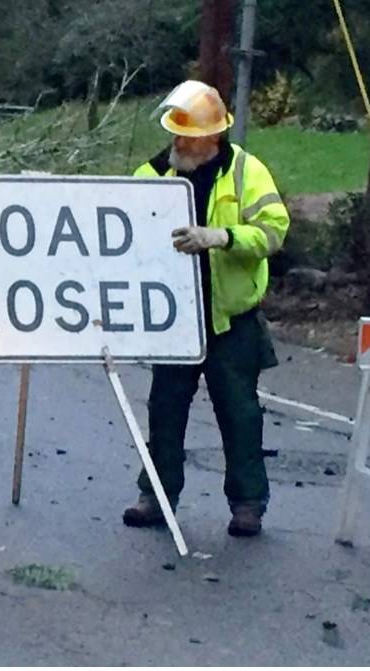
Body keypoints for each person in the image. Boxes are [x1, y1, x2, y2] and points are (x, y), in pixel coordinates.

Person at [124, 80, 290, 536]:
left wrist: (223, 237)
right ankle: (155, 496)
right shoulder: (151, 174)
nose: (179, 142)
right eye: (175, 132)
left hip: (229, 318)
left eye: (189, 134)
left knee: (239, 413)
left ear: (213, 136)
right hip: (174, 318)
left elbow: (273, 232)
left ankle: (247, 503)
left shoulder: (246, 172)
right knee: (165, 410)